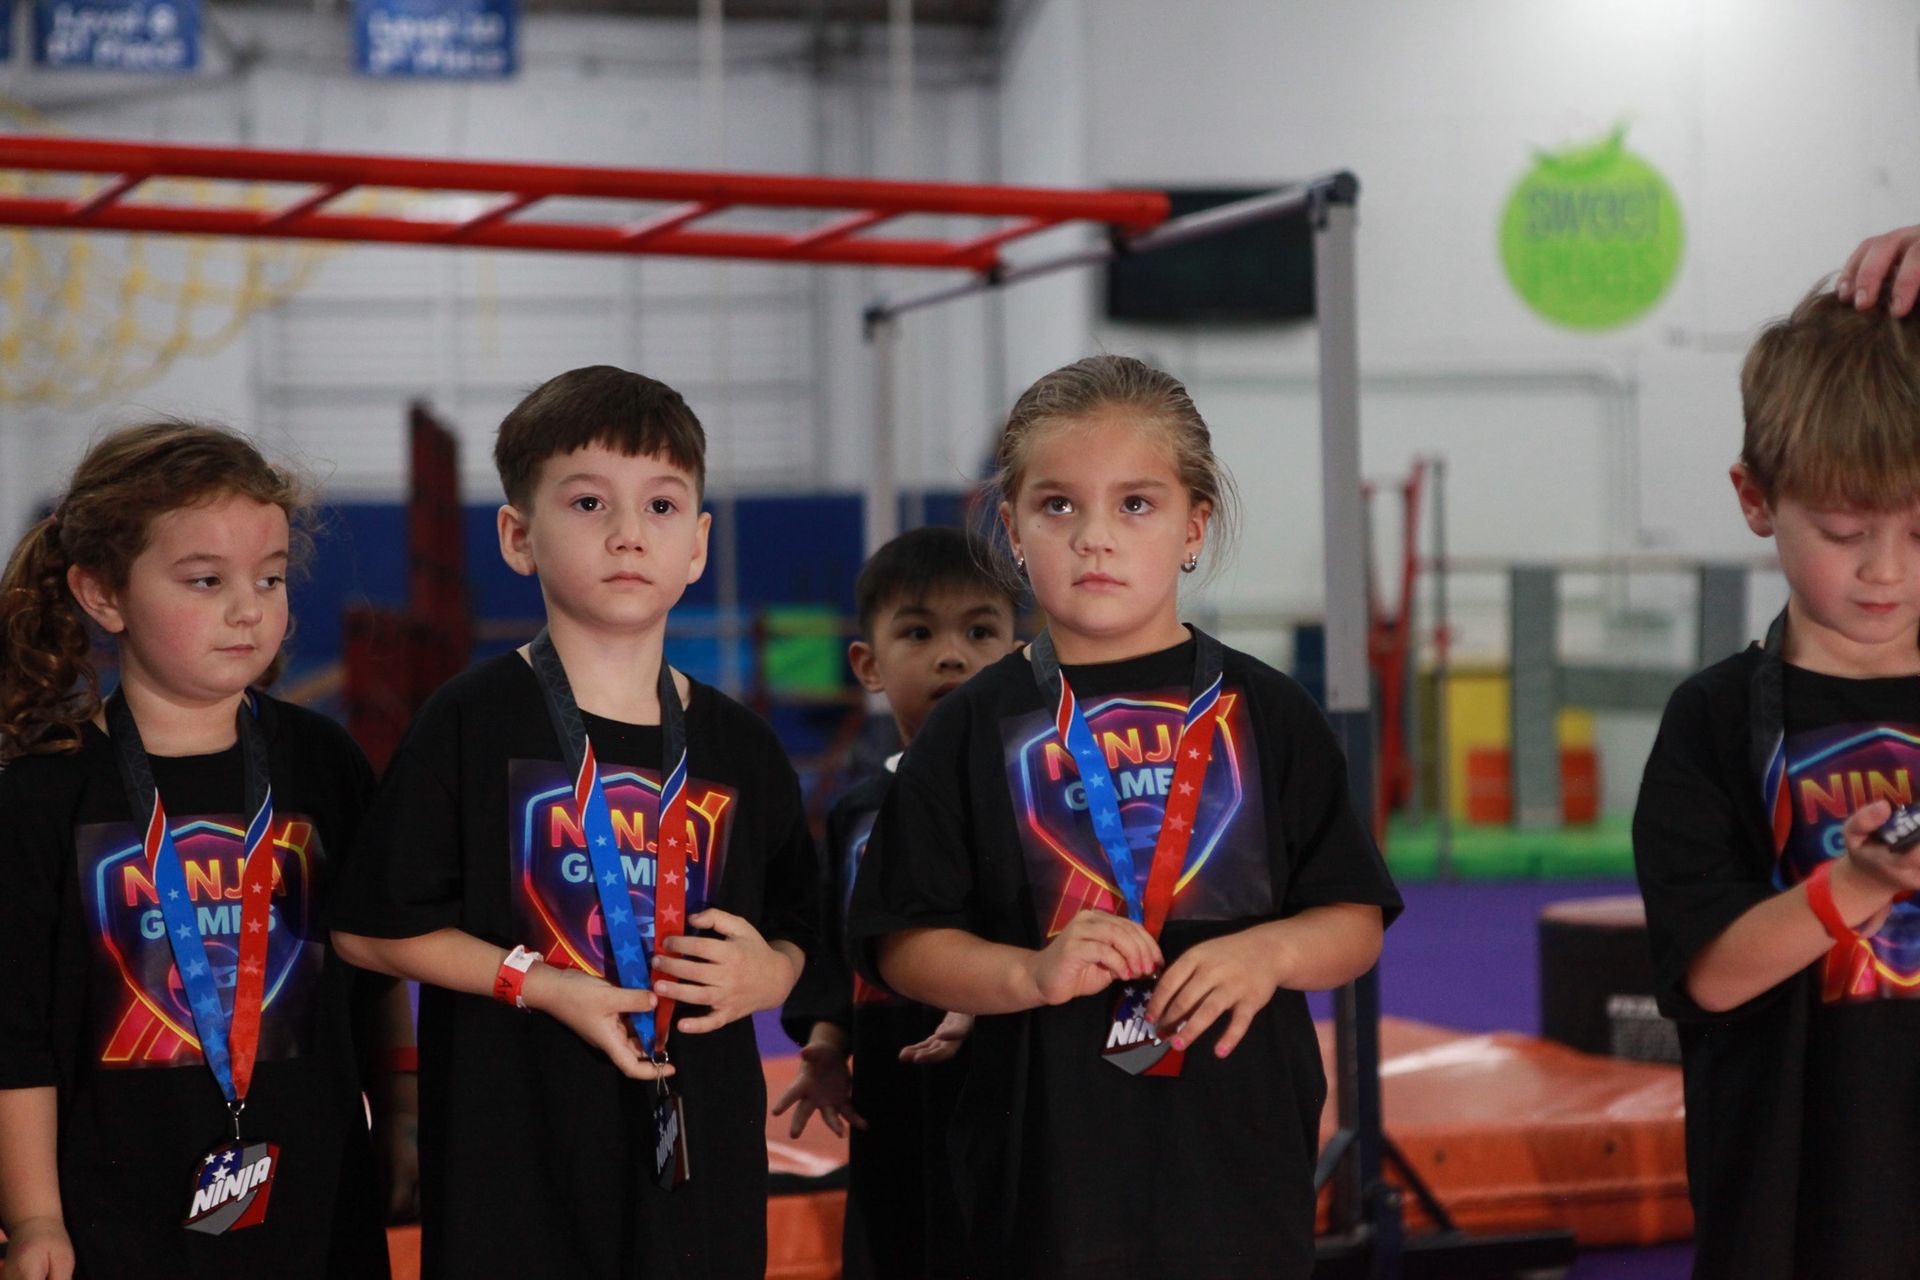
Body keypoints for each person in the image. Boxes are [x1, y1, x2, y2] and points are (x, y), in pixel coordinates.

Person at [846, 354, 1401, 1278]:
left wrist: (1269, 953)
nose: (1094, 537)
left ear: (1194, 526)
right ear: (1012, 530)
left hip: (1238, 1149)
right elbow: (903, 942)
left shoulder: (1270, 712)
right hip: (1043, 1161)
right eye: (1058, 505)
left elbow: (1353, 919)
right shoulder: (969, 730)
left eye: (1135, 504)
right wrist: (1027, 973)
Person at [329, 366, 817, 1280]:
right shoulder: (471, 720)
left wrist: (771, 972)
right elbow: (367, 928)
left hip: (701, 1170)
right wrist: (541, 984)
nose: (629, 532)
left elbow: (803, 926)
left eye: (662, 505)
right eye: (589, 503)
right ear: (518, 536)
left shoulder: (741, 746)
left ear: (699, 544)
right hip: (517, 1170)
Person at [0, 421, 412, 1280]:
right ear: (103, 594)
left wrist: (404, 1111)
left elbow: (374, 969)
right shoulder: (43, 794)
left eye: (270, 577)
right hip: (117, 1221)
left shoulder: (322, 762)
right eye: (205, 581)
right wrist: (34, 1216)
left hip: (317, 1207)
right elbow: (16, 1035)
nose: (248, 608)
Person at [1634, 284, 1920, 1279]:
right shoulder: (1713, 721)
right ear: (1756, 498)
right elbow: (1711, 973)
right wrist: (1859, 885)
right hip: (1801, 1205)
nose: (1887, 570)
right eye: (1845, 531)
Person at [774, 524, 1018, 1279]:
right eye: (919, 632)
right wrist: (825, 1046)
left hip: (1006, 1080)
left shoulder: (1035, 798)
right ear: (869, 665)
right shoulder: (857, 812)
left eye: (979, 632)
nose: (952, 655)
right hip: (891, 1087)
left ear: (1018, 654)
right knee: (894, 1247)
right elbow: (836, 948)